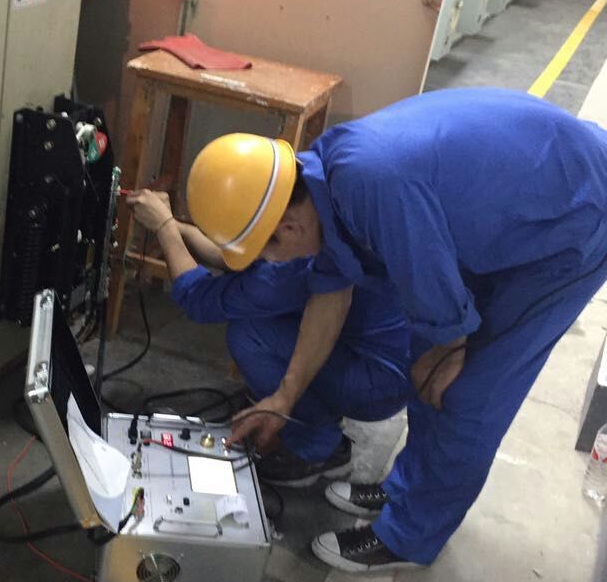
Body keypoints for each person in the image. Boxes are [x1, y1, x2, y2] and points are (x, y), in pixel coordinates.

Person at [169, 90, 607, 574]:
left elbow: (443, 322)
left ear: (287, 228)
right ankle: (407, 491)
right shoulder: (326, 179)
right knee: (427, 364)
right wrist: (285, 397)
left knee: (464, 392)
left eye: (264, 252)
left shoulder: (371, 183)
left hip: (572, 220)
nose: (271, 262)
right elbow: (331, 295)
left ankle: (409, 537)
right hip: (530, 195)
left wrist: (449, 347)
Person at [125, 185, 411, 487]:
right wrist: (171, 222)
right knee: (261, 308)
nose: (258, 253)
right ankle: (312, 410)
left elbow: (196, 298)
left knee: (249, 334)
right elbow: (232, 257)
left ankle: (318, 447)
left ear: (287, 229)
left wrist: (165, 227)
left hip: (377, 384)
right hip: (385, 350)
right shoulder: (307, 198)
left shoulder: (291, 270)